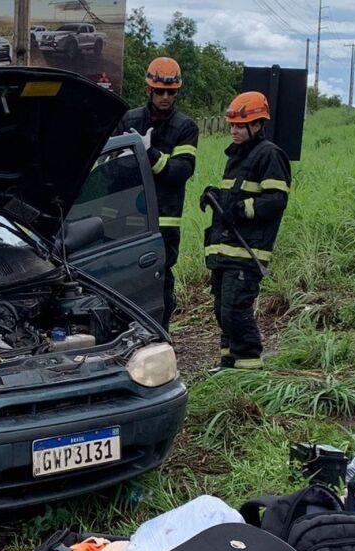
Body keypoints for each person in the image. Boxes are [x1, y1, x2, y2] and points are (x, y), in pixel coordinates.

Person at [199, 91, 291, 371]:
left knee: (235, 309)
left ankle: (249, 366)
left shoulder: (270, 155)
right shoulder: (238, 157)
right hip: (226, 250)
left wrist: (242, 208)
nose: (234, 131)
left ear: (257, 125)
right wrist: (216, 196)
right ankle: (229, 362)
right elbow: (234, 197)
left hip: (247, 250)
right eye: (232, 126)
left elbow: (276, 200)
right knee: (222, 310)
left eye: (240, 126)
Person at [115, 57, 199, 329]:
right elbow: (111, 169)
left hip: (164, 219)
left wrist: (149, 155)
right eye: (160, 91)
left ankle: (159, 336)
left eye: (171, 92)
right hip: (126, 215)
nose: (165, 97)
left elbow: (180, 172)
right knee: (122, 277)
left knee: (158, 278)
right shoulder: (129, 119)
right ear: (148, 89)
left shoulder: (186, 127)